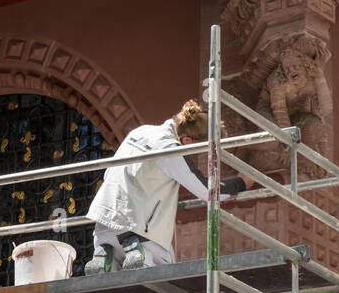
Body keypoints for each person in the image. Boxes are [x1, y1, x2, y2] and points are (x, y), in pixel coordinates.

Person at [84, 100, 252, 273]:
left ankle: (104, 252)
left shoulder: (140, 131)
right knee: (164, 279)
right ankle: (135, 251)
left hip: (104, 223)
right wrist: (242, 182)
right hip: (141, 233)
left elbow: (109, 172)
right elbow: (209, 192)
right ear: (187, 140)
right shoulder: (171, 150)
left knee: (111, 291)